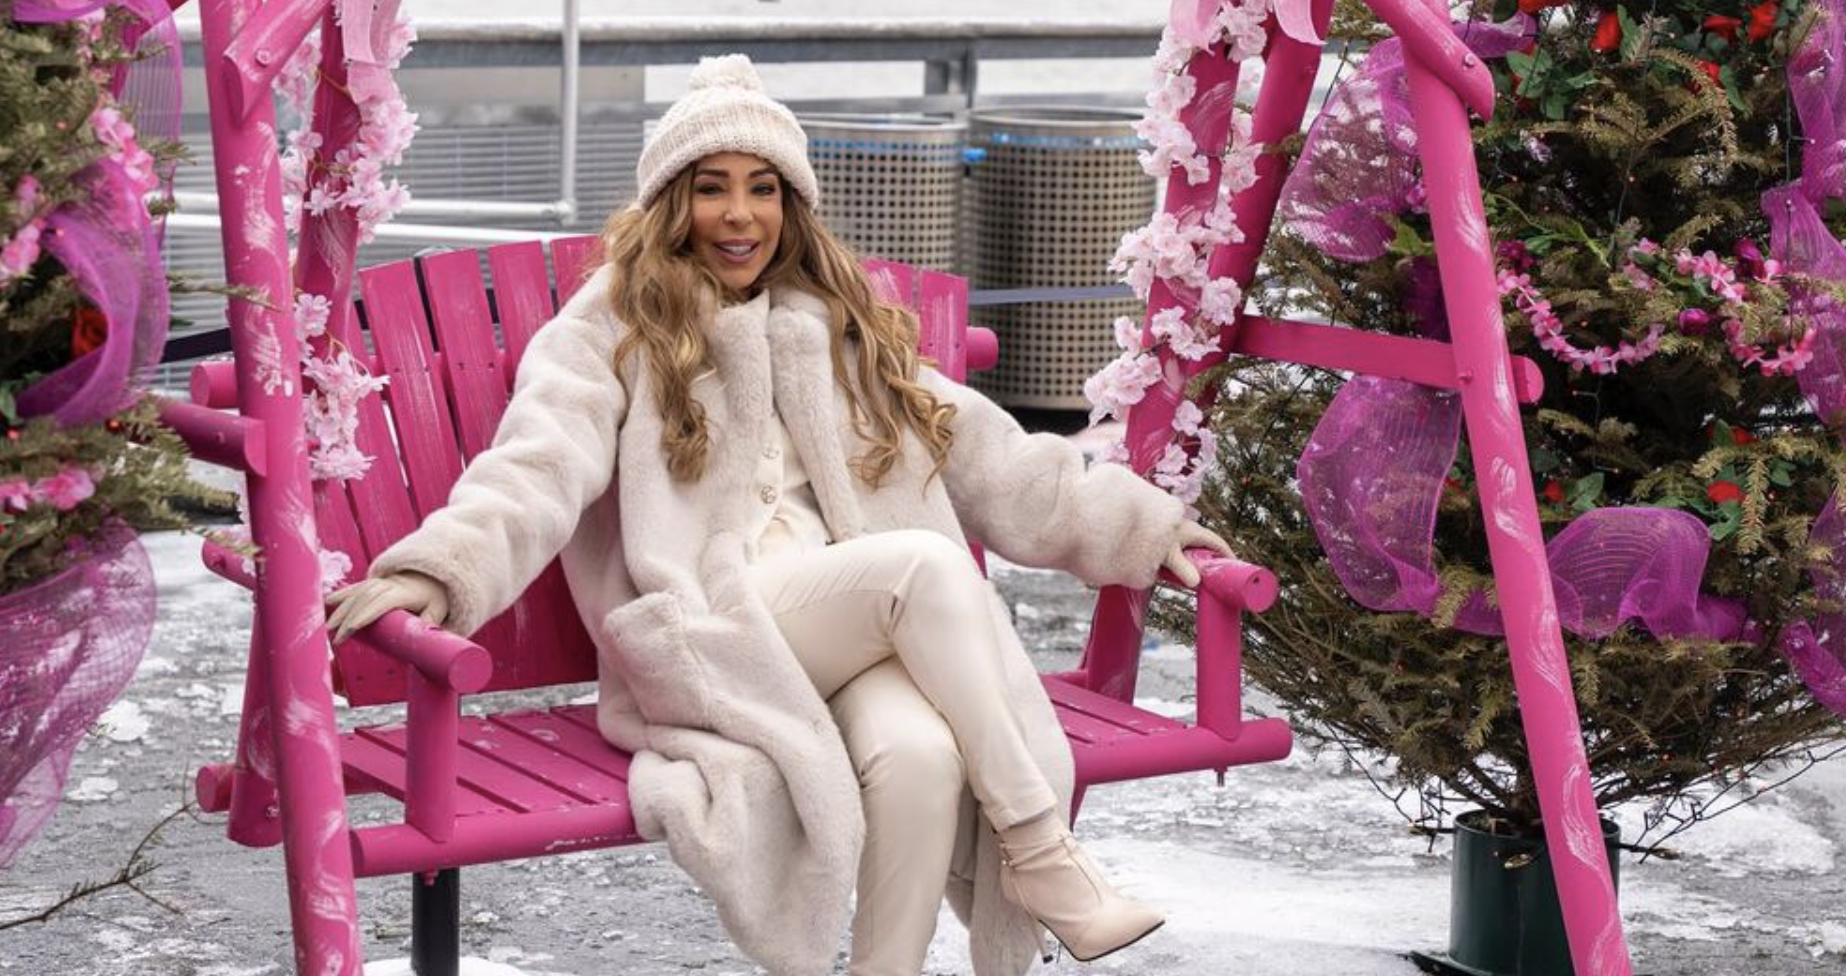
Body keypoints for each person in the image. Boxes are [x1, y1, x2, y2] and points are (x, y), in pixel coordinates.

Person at [326, 54, 1235, 976]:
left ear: (791, 206)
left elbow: (990, 454)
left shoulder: (833, 325)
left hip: (853, 631)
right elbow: (537, 464)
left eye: (763, 190)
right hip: (716, 633)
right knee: (922, 561)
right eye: (711, 188)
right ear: (669, 202)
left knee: (921, 756)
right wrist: (442, 567)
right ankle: (1043, 856)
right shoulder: (611, 327)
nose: (739, 215)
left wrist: (1141, 528)